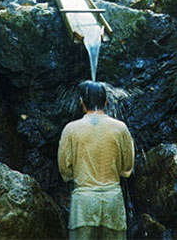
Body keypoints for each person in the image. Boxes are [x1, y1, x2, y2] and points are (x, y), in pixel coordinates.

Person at [58, 80, 135, 240]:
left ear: (82, 102)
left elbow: (64, 167)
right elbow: (128, 164)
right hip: (112, 201)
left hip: (84, 203)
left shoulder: (71, 129)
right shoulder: (120, 128)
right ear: (106, 102)